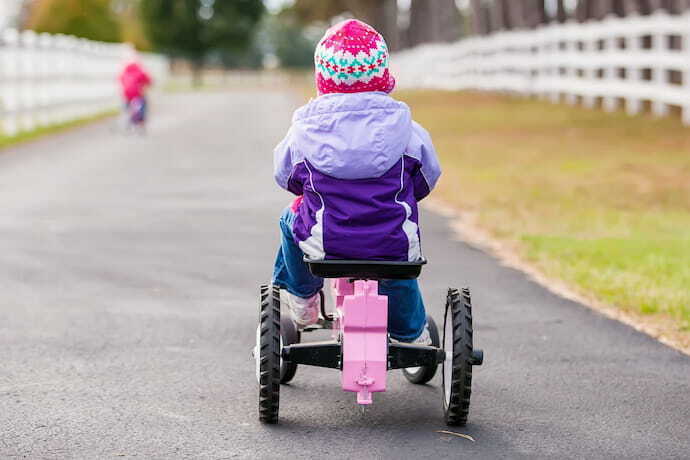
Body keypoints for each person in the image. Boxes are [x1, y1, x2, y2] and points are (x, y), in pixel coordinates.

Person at [272, 19, 441, 344]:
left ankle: (305, 301)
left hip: (325, 244)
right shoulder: (408, 132)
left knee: (289, 219)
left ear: (323, 78)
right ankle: (410, 333)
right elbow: (427, 176)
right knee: (397, 255)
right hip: (390, 242)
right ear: (381, 75)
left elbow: (286, 175)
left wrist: (309, 191)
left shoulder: (304, 132)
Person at [118, 46, 152, 132]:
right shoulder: (139, 70)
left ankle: (128, 121)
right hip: (138, 94)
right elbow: (148, 80)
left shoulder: (125, 71)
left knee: (128, 107)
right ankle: (141, 124)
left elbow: (121, 80)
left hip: (127, 95)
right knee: (143, 105)